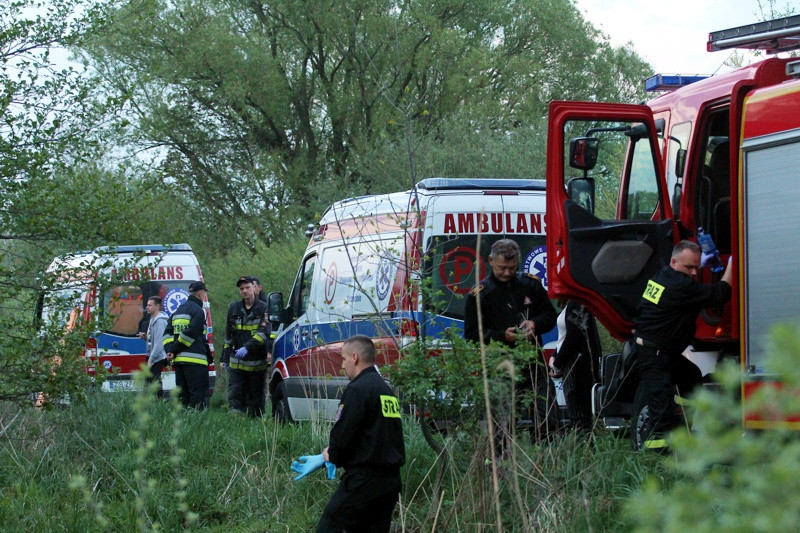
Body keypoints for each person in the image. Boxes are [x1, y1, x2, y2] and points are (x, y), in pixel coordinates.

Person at [291, 335, 405, 532]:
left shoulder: (358, 389)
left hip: (364, 483)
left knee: (329, 527)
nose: (342, 365)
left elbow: (343, 434)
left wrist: (329, 455)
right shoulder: (386, 390)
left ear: (355, 358)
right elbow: (378, 436)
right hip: (390, 483)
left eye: (343, 359)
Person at [630, 240, 733, 450]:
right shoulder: (679, 286)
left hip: (659, 351)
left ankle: (684, 426)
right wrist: (733, 263)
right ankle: (655, 460)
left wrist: (701, 264)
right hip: (655, 355)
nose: (695, 273)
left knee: (692, 375)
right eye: (689, 267)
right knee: (661, 415)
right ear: (674, 261)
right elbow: (720, 294)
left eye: (697, 267)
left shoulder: (661, 277)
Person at [464, 238, 559, 442]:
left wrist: (535, 324)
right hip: (500, 366)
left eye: (512, 267)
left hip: (533, 364)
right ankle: (501, 466)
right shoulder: (479, 295)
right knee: (502, 427)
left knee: (549, 416)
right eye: (502, 268)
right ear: (491, 261)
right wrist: (501, 336)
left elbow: (550, 316)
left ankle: (547, 461)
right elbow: (471, 334)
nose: (507, 273)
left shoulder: (530, 284)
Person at [221, 276, 272, 417]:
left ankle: (254, 424)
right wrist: (224, 358)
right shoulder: (233, 308)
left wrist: (247, 347)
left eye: (247, 287)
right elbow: (228, 334)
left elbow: (263, 333)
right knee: (235, 394)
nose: (244, 291)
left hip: (256, 363)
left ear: (254, 288)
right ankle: (235, 421)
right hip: (237, 364)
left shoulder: (264, 308)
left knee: (255, 398)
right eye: (241, 288)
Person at [549, 301, 602, 430]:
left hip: (576, 364)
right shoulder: (570, 304)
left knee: (579, 413)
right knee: (576, 411)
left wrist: (557, 364)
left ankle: (584, 444)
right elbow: (565, 336)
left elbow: (573, 337)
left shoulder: (577, 304)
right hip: (570, 362)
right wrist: (555, 355)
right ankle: (583, 443)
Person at [165, 281, 211, 409]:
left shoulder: (178, 310)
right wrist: (173, 349)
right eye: (204, 293)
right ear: (200, 293)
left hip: (179, 362)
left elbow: (167, 334)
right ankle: (197, 426)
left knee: (183, 398)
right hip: (195, 362)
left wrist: (169, 350)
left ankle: (184, 425)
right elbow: (191, 333)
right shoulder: (198, 311)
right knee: (197, 398)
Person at [139, 296, 169, 398]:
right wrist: (146, 337)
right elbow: (154, 339)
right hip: (152, 354)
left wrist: (151, 359)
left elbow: (159, 342)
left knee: (154, 380)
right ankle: (154, 403)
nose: (147, 307)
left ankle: (158, 402)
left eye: (150, 305)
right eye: (147, 305)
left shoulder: (160, 321)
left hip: (157, 356)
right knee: (150, 381)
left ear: (157, 306)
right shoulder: (153, 319)